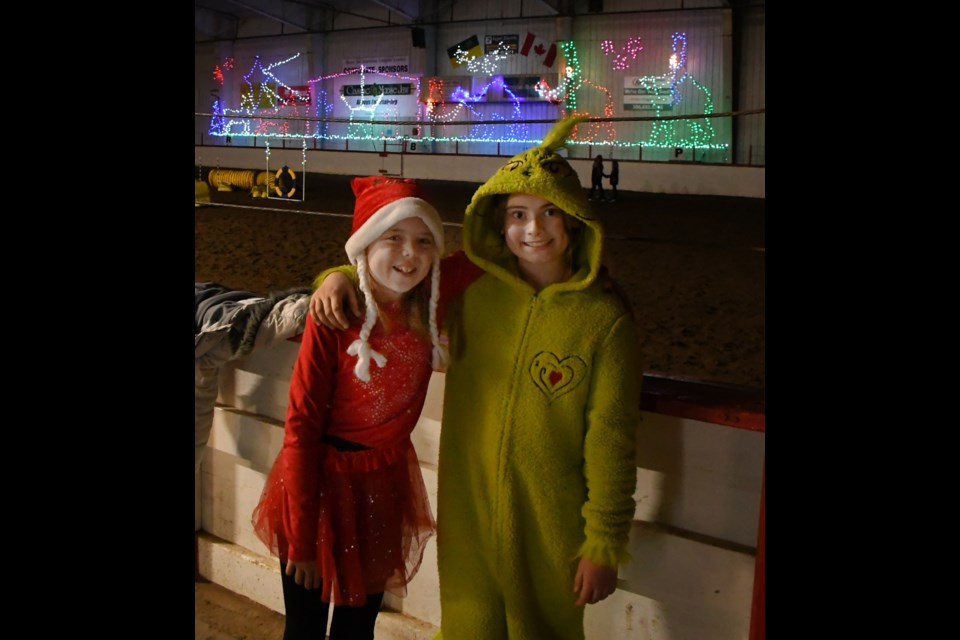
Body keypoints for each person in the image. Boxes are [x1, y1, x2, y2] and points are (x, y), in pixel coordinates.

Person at [309, 117, 642, 640]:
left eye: (550, 211)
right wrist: (340, 275)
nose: (533, 229)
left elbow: (613, 439)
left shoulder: (605, 321)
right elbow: (399, 278)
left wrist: (603, 541)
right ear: (497, 221)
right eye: (518, 214)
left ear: (576, 220)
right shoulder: (467, 290)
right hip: (468, 515)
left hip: (551, 525)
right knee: (469, 625)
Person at [251, 175, 447, 640]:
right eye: (392, 237)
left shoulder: (430, 301)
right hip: (315, 489)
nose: (409, 254)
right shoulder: (336, 318)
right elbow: (300, 426)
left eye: (423, 241)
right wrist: (300, 540)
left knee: (359, 627)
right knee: (304, 626)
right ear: (363, 246)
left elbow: (491, 255)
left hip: (383, 487)